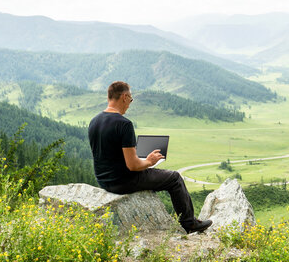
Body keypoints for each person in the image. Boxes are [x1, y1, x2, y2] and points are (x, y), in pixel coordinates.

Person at [88, 81, 212, 233]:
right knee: (174, 178)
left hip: (104, 181)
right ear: (125, 97)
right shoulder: (124, 124)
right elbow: (132, 165)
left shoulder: (94, 121)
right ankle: (190, 223)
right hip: (124, 182)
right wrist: (149, 161)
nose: (129, 104)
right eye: (131, 99)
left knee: (154, 174)